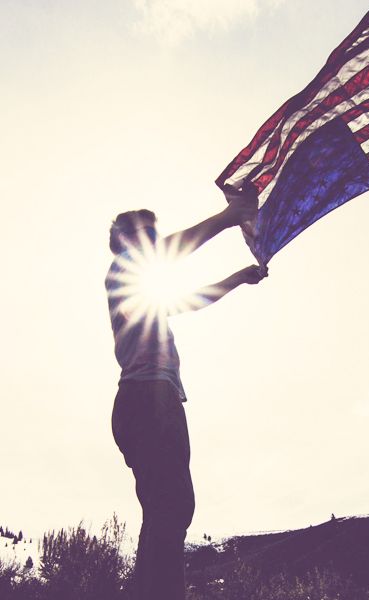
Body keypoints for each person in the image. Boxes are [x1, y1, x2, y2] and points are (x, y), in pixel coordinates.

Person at [105, 191, 265, 599]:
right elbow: (174, 251)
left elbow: (191, 300)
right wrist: (229, 217)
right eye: (146, 236)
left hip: (149, 402)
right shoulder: (121, 273)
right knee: (171, 507)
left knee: (165, 509)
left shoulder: (144, 300)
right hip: (148, 399)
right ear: (125, 242)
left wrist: (236, 279)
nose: (154, 243)